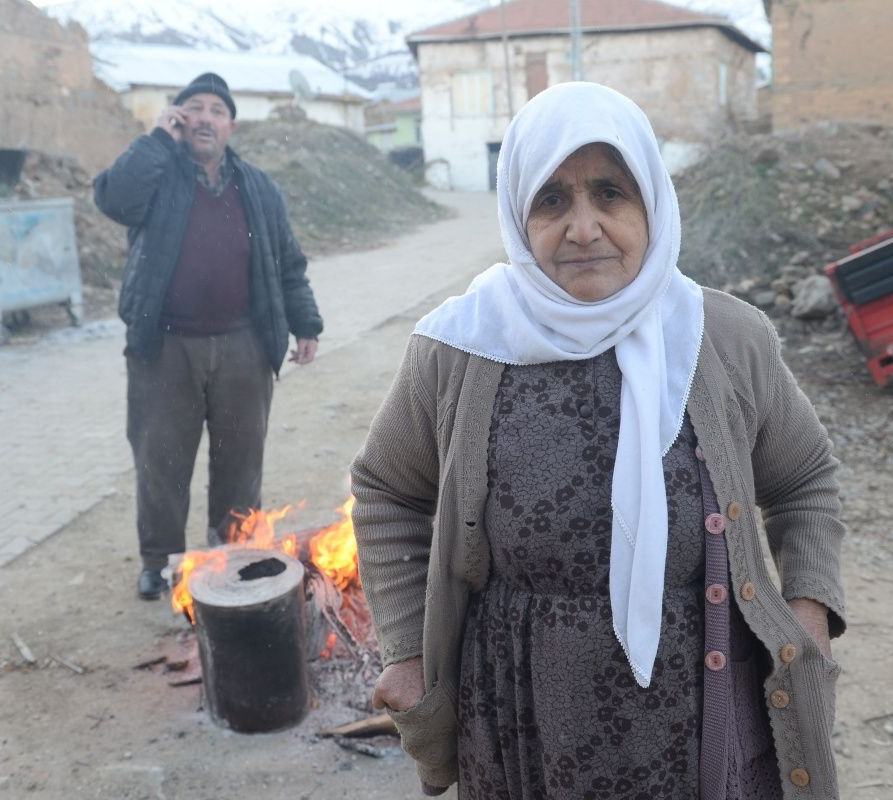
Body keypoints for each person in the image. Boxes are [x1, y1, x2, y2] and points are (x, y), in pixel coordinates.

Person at [351, 82, 846, 799]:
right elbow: (387, 490)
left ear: (651, 203)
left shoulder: (725, 338)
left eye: (610, 193)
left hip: (701, 708)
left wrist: (808, 609)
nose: (583, 228)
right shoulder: (460, 347)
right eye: (552, 200)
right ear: (518, 214)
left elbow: (804, 481)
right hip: (520, 715)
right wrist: (405, 650)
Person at [95, 72, 323, 600]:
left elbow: (288, 262)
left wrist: (306, 322)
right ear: (179, 118)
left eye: (217, 111)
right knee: (161, 462)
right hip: (164, 348)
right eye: (193, 108)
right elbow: (114, 199)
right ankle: (161, 562)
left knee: (240, 463)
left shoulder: (258, 187)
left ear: (231, 127)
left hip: (244, 346)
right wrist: (157, 138)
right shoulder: (158, 174)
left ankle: (232, 556)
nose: (205, 118)